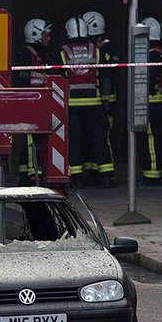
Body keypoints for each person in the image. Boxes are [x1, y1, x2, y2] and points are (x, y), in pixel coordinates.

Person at [60, 16, 115, 188]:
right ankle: (106, 175)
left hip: (72, 105)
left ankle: (76, 177)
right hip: (94, 103)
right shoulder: (96, 51)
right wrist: (106, 101)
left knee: (74, 140)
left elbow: (58, 79)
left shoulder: (63, 52)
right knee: (99, 139)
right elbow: (105, 78)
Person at [15, 18, 53, 184]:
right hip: (30, 104)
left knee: (36, 141)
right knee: (31, 140)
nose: (49, 38)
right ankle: (31, 174)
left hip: (40, 104)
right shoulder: (26, 55)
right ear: (36, 34)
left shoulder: (42, 54)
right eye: (46, 34)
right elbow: (22, 81)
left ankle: (30, 172)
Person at [82, 10, 120, 163]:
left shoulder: (104, 49)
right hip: (100, 99)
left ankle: (105, 168)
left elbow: (106, 76)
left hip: (105, 101)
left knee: (103, 135)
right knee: (93, 134)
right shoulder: (100, 49)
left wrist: (105, 102)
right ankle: (93, 167)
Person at [139, 17, 162, 185]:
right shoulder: (160, 52)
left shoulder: (153, 55)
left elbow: (149, 78)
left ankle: (153, 175)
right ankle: (151, 173)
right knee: (154, 136)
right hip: (158, 99)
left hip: (152, 100)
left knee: (150, 137)